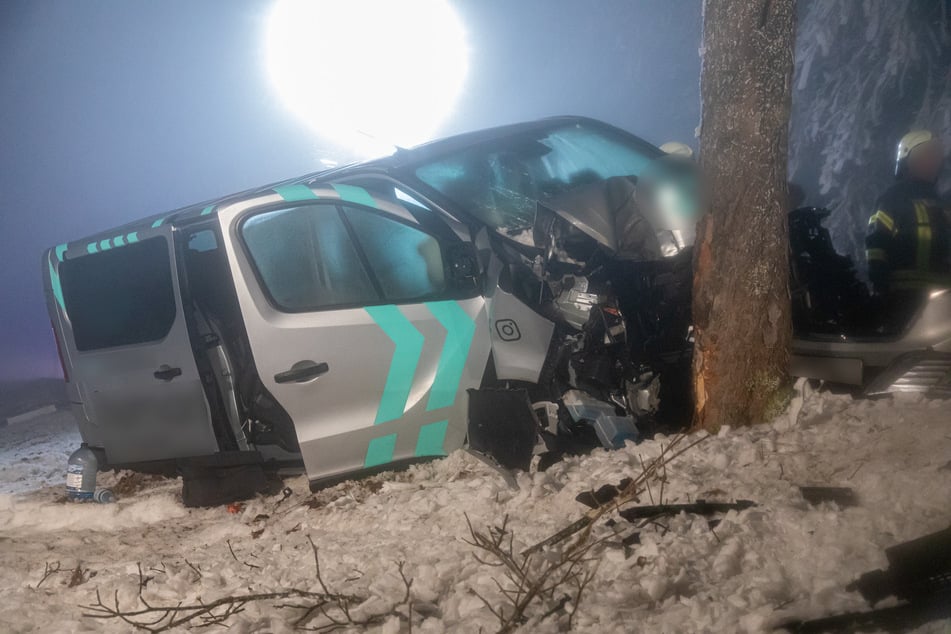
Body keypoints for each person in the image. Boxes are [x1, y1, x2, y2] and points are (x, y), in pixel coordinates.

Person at [865, 130, 950, 295]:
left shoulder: (943, 204)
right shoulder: (892, 199)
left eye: (936, 155)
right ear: (908, 160)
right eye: (927, 154)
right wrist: (881, 288)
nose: (934, 161)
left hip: (944, 302)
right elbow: (876, 244)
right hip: (906, 299)